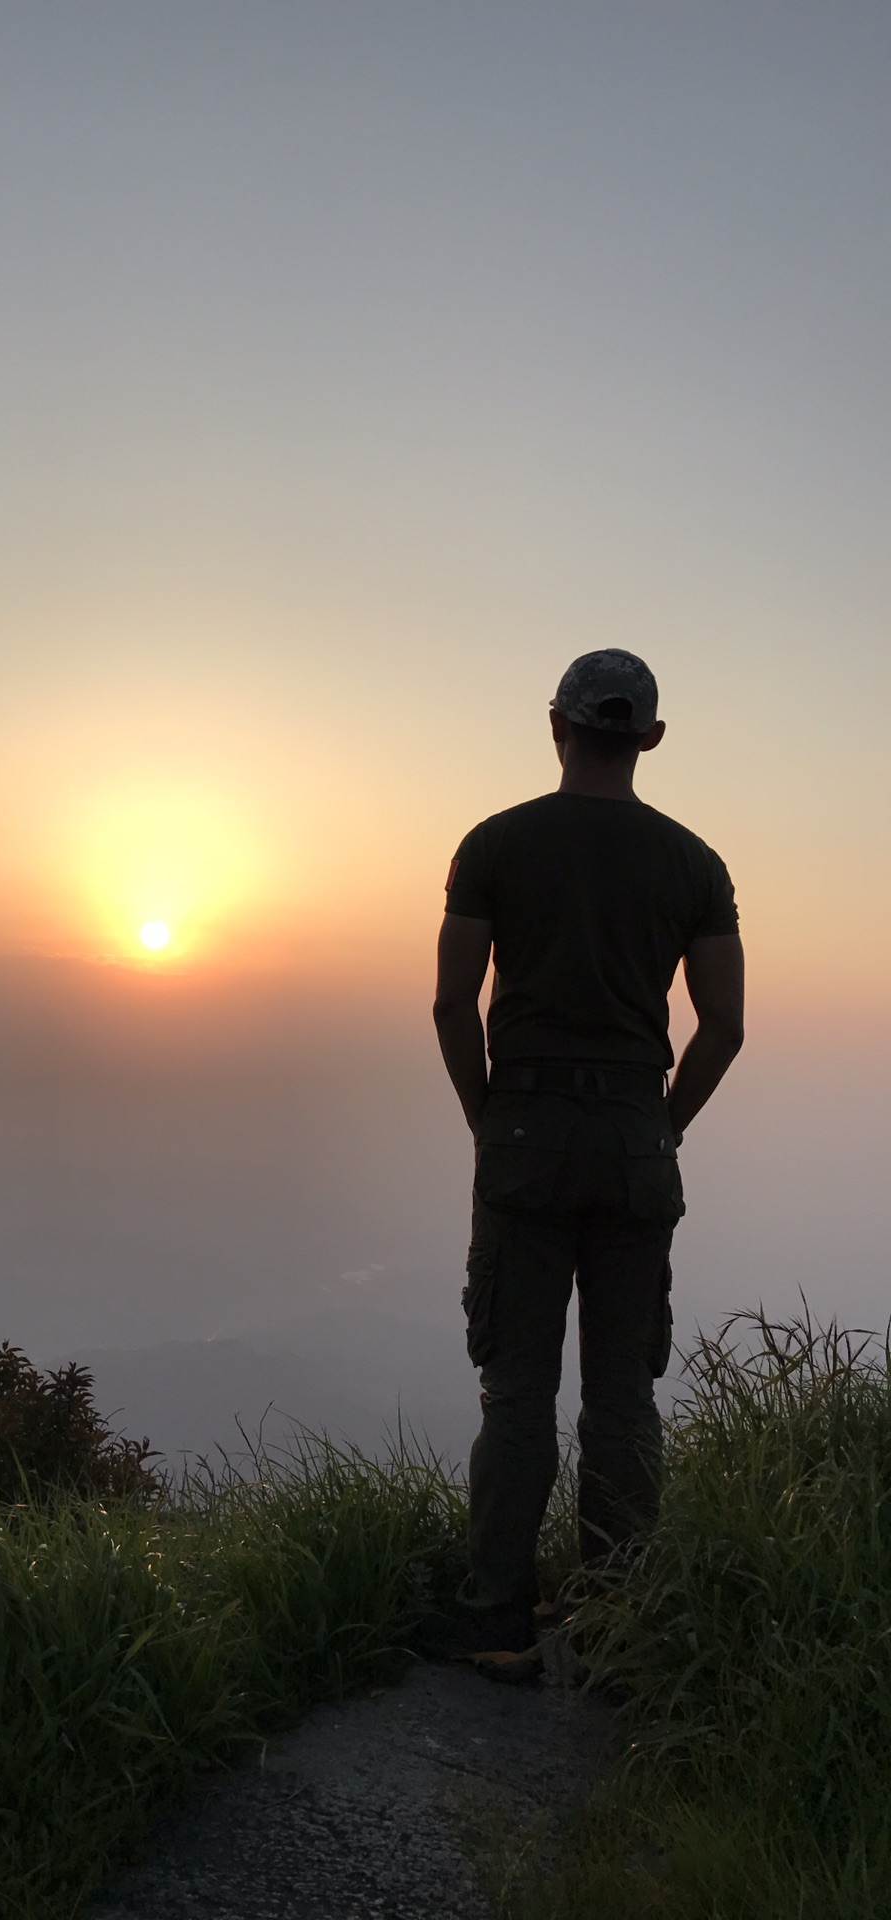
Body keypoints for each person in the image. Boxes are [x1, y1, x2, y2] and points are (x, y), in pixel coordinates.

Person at [425, 648, 744, 1665]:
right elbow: (723, 1027)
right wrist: (666, 1124)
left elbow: (451, 1003)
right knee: (622, 1393)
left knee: (517, 1387)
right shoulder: (695, 865)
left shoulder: (494, 845)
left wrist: (486, 1119)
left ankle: (499, 1620)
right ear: (648, 738)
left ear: (555, 725)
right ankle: (614, 1622)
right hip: (633, 1140)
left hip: (523, 1128)